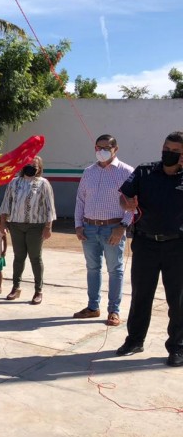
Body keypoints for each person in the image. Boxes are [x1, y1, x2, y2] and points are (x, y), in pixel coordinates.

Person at [116, 131, 183, 366]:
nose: (168, 154)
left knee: (178, 301)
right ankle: (134, 340)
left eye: (175, 152)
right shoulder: (144, 171)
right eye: (166, 148)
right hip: (145, 244)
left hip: (177, 247)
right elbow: (123, 198)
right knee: (141, 295)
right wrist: (127, 203)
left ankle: (177, 347)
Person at [73, 134, 134, 326]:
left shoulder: (126, 172)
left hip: (113, 228)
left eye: (106, 147)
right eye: (98, 147)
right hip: (89, 228)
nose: (101, 151)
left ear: (115, 149)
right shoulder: (88, 172)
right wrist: (78, 225)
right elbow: (81, 199)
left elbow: (134, 205)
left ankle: (114, 311)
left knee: (115, 270)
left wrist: (122, 227)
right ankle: (93, 307)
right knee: (92, 268)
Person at [0, 155, 56, 304]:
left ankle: (38, 290)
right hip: (16, 225)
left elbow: (49, 207)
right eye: (28, 164)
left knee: (35, 258)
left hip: (35, 226)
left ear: (39, 168)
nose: (30, 167)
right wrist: (3, 223)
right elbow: (6, 203)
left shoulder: (43, 184)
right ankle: (16, 287)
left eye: (34, 165)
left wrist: (48, 227)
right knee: (18, 257)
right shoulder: (14, 183)